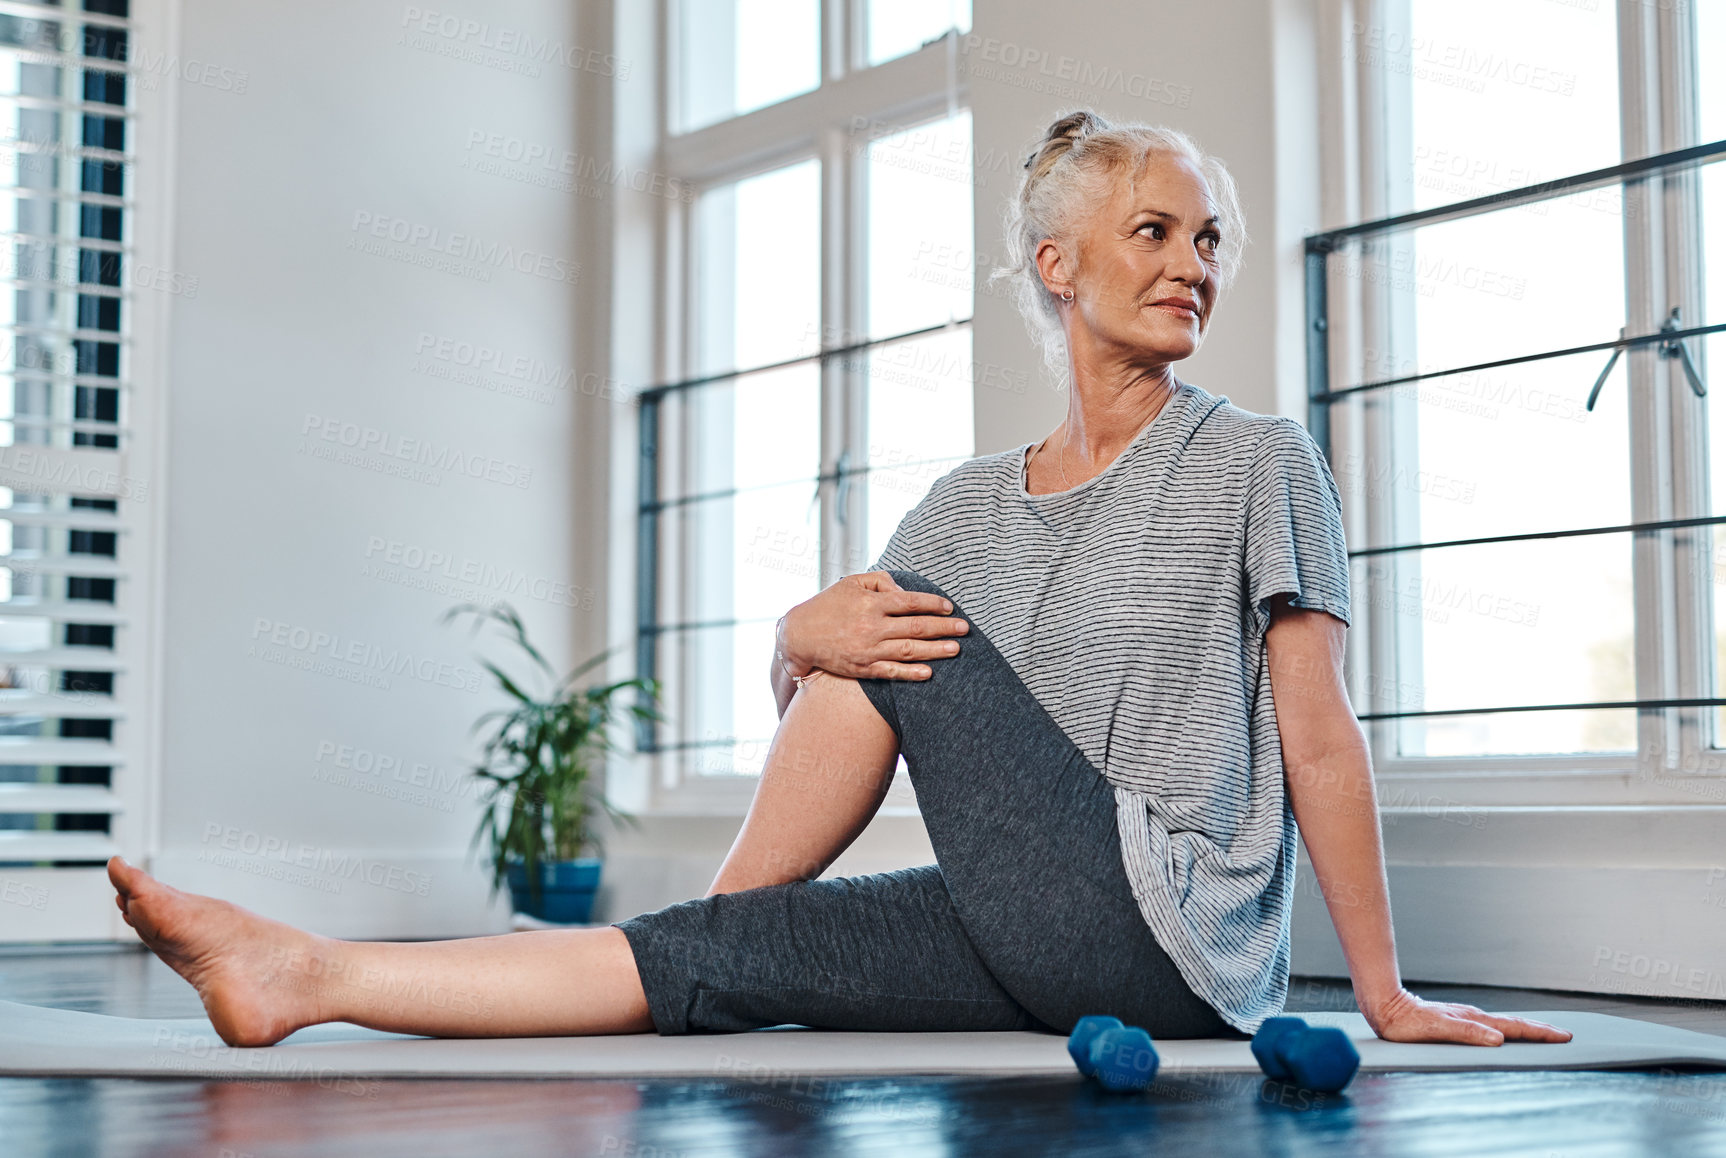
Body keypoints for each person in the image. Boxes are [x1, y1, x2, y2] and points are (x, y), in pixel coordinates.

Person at [106, 110, 1570, 1052]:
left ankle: (708, 933)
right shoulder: (965, 508)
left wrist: (1377, 990)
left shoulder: (1258, 461)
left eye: (1206, 240)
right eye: (1153, 231)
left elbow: (1316, 732)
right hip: (1031, 919)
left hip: (1168, 931)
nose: (1192, 262)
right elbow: (832, 692)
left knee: (875, 631)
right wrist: (786, 636)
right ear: (1056, 265)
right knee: (845, 672)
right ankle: (305, 974)